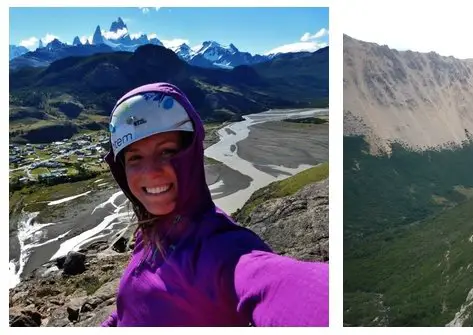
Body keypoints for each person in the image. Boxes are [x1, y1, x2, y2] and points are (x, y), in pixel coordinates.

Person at [100, 82, 329, 326]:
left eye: (166, 151)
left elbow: (278, 285)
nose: (151, 171)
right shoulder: (150, 231)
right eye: (135, 157)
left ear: (191, 154)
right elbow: (131, 304)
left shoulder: (217, 247)